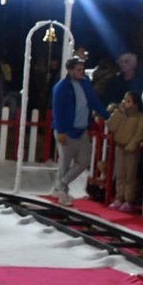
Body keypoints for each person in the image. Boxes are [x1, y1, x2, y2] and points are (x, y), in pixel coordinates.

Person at [51, 57, 109, 206]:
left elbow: (93, 101)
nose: (81, 72)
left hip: (82, 129)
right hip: (67, 130)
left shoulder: (85, 83)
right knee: (65, 162)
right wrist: (61, 130)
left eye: (82, 69)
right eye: (78, 69)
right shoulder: (61, 87)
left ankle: (60, 185)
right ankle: (62, 190)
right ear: (70, 70)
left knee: (83, 161)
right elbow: (58, 110)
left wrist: (106, 114)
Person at [106, 91, 143, 213]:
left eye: (128, 101)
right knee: (120, 174)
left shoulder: (141, 117)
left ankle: (129, 200)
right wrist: (118, 113)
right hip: (119, 146)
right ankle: (119, 197)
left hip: (132, 149)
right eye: (124, 100)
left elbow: (140, 133)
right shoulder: (120, 114)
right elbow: (111, 126)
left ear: (136, 104)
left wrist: (132, 145)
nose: (125, 103)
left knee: (130, 175)